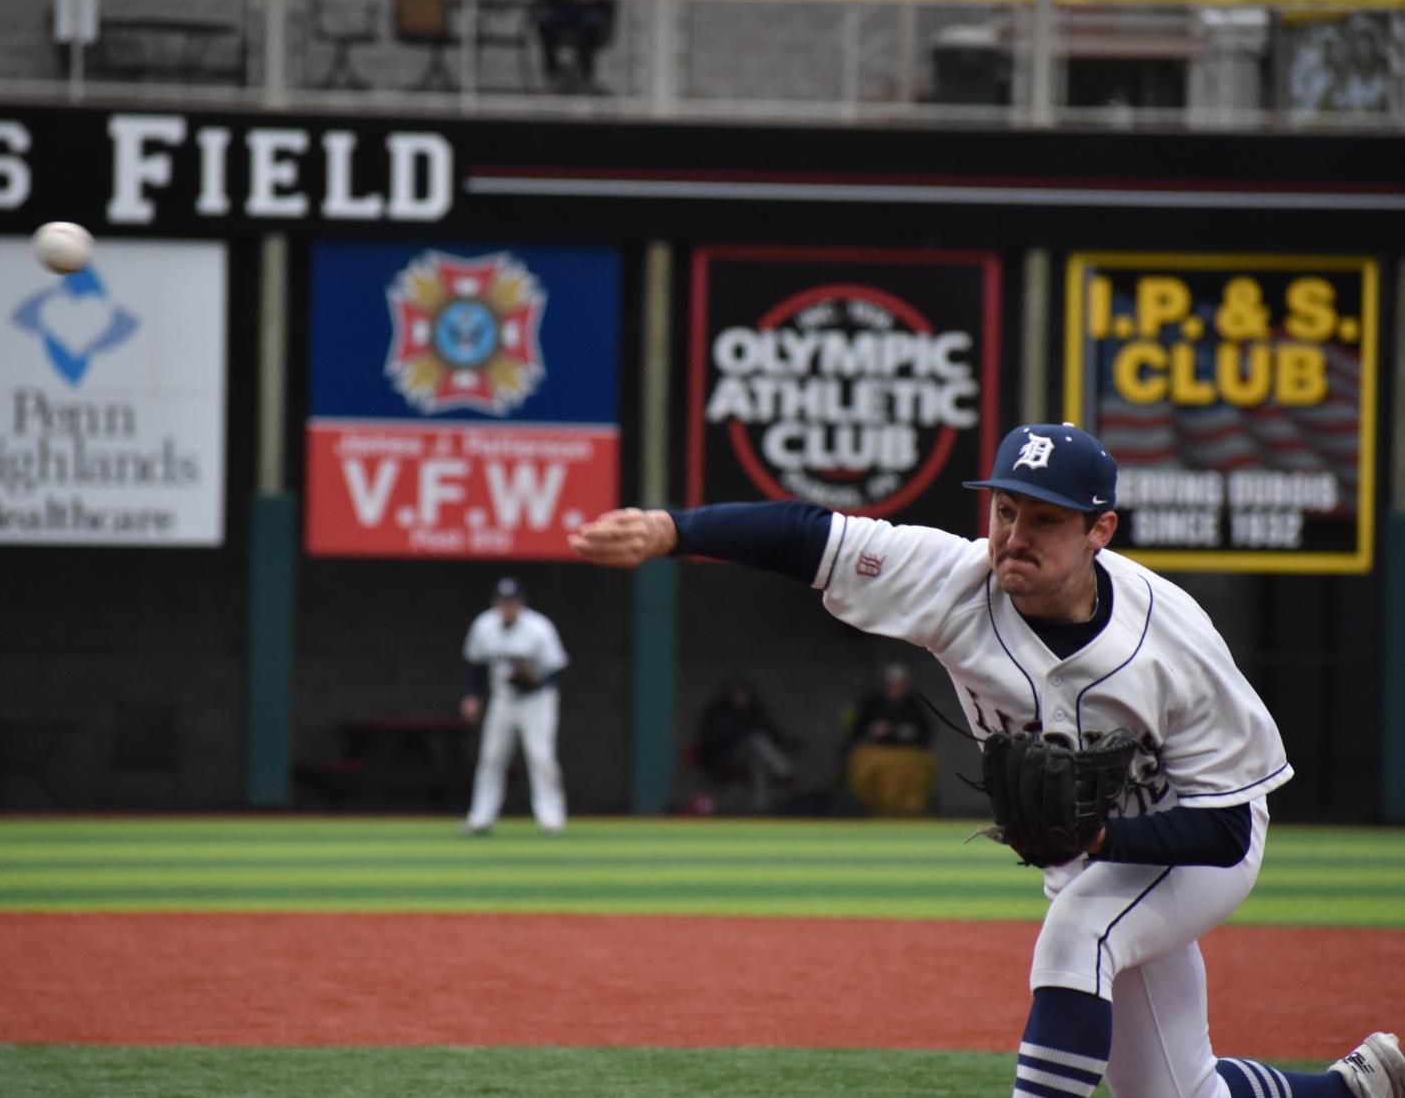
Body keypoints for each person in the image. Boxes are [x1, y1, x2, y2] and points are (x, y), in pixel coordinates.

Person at [569, 422, 1403, 1098]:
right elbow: (807, 534)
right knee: (1175, 1093)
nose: (1014, 535)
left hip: (1193, 841)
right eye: (1004, 509)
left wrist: (1102, 842)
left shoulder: (1172, 640)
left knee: (1078, 931)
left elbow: (1225, 831)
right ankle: (1360, 1087)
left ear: (1099, 531)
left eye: (1043, 518)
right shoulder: (954, 578)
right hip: (1098, 851)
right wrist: (671, 529)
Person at [459, 577, 569, 836]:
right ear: (495, 603)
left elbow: (556, 668)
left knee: (541, 757)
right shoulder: (484, 625)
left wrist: (535, 681)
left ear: (521, 603)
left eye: (512, 602)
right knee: (491, 757)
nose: (507, 606)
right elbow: (477, 665)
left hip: (537, 701)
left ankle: (551, 817)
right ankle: (481, 817)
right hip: (503, 699)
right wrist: (473, 696)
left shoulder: (539, 628)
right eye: (503, 601)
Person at [844, 662, 936, 816]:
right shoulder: (873, 702)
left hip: (906, 753)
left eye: (900, 685)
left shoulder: (912, 704)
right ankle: (869, 811)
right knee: (862, 763)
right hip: (875, 751)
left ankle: (909, 814)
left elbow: (925, 731)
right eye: (893, 685)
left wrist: (900, 732)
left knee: (920, 766)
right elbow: (857, 729)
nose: (896, 689)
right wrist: (874, 730)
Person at [694, 675, 796, 813]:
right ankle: (783, 769)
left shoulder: (755, 711)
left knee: (758, 756)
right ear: (728, 695)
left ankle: (760, 804)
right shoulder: (718, 711)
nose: (740, 696)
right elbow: (713, 739)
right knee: (756, 740)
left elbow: (772, 732)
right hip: (726, 754)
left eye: (743, 693)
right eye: (736, 693)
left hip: (753, 754)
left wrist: (790, 743)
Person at [529, 0, 615, 94]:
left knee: (591, 26)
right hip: (561, 6)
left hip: (589, 9)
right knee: (546, 22)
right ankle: (553, 75)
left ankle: (585, 76)